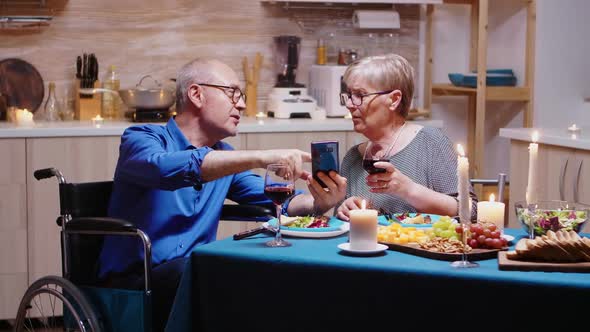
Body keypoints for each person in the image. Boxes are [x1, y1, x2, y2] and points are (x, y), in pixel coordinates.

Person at [98, 58, 346, 331]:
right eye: (232, 93)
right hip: (135, 284)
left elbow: (278, 201)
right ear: (196, 94)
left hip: (195, 277)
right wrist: (262, 156)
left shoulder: (225, 157)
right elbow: (163, 168)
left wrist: (318, 201)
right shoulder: (141, 137)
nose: (241, 104)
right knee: (201, 270)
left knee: (251, 269)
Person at [335, 53, 477, 221]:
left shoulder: (430, 142)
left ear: (394, 100)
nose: (350, 105)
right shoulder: (353, 158)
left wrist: (408, 190)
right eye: (349, 95)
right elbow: (338, 222)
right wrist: (344, 209)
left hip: (420, 246)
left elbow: (471, 211)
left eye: (360, 95)